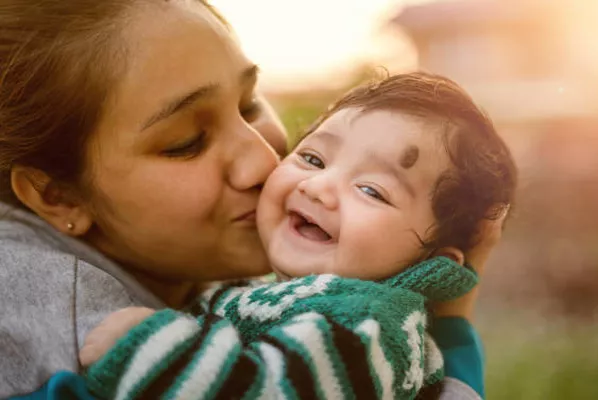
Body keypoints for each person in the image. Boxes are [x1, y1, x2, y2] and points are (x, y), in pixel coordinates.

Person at [0, 0, 503, 399]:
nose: (264, 162)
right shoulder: (51, 336)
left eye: (249, 104)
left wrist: (449, 322)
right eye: (185, 143)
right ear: (57, 196)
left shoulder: (208, 270)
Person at [77, 72, 517, 400]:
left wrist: (146, 347)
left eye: (372, 190)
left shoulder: (371, 328)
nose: (318, 187)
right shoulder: (283, 293)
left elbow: (262, 390)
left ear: (435, 266)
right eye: (312, 158)